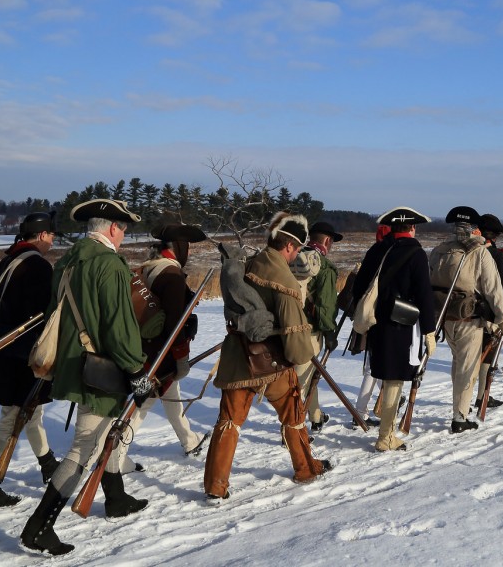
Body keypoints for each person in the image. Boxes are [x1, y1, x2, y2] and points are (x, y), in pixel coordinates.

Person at [19, 199, 151, 556]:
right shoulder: (109, 265)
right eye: (123, 229)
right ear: (112, 228)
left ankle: (116, 498)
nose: (124, 236)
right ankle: (38, 528)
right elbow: (120, 329)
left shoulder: (67, 261)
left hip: (76, 363)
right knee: (83, 448)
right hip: (102, 370)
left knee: (106, 435)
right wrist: (137, 371)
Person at [204, 212, 330, 501]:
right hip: (271, 361)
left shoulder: (249, 264)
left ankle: (215, 486)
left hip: (238, 355)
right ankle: (306, 468)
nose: (296, 255)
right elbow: (294, 330)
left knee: (228, 421)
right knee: (293, 413)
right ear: (289, 246)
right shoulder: (282, 276)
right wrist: (302, 353)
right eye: (297, 249)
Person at [0, 212, 61, 510]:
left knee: (30, 413)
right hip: (23, 354)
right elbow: (44, 315)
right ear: (43, 235)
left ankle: (48, 465)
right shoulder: (37, 266)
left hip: (7, 348)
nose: (53, 240)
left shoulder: (8, 262)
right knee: (11, 419)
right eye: (51, 235)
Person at [118, 223, 209, 460]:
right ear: (179, 247)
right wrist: (180, 357)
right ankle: (116, 453)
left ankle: (189, 440)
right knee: (145, 402)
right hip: (161, 352)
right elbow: (174, 324)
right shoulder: (171, 275)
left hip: (148, 349)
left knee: (162, 397)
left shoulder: (152, 268)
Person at [350, 207, 436, 451]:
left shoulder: (377, 250)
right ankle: (386, 436)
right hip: (402, 325)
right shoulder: (416, 253)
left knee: (384, 374)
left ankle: (385, 431)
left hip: (377, 324)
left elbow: (360, 288)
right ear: (411, 227)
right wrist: (429, 331)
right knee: (395, 378)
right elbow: (424, 295)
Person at [427, 206, 503, 433]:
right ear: (474, 228)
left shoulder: (439, 250)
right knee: (467, 369)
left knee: (458, 364)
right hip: (470, 319)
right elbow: (493, 290)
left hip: (445, 318)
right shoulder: (479, 252)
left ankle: (460, 408)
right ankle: (460, 417)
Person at [291, 221, 343, 432]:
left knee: (311, 374)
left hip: (289, 325)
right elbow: (326, 304)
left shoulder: (293, 258)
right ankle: (292, 428)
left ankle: (316, 416)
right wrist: (330, 331)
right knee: (300, 382)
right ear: (327, 241)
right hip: (310, 330)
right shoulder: (324, 266)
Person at [348, 224, 392, 428]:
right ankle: (361, 412)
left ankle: (368, 409)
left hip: (368, 316)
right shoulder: (391, 252)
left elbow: (358, 288)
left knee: (374, 366)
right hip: (385, 318)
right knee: (373, 367)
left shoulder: (373, 252)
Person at [474, 213, 503, 409]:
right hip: (489, 312)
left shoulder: (469, 250)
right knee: (487, 355)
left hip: (467, 311)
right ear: (495, 236)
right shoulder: (495, 255)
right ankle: (481, 397)